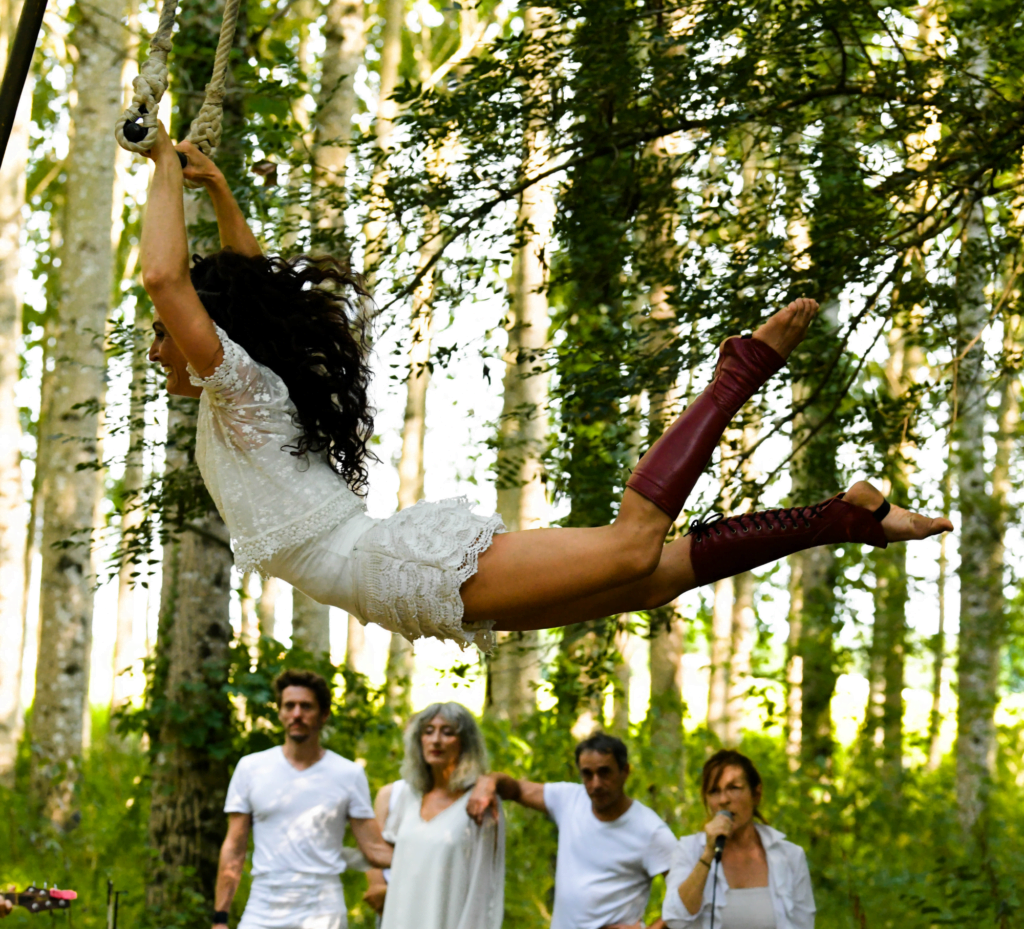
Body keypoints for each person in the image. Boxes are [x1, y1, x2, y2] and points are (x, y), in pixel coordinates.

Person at [140, 126, 952, 650]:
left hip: (393, 569)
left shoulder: (238, 390)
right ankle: (841, 518)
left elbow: (165, 276)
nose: (157, 352)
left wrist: (162, 168)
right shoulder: (247, 390)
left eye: (161, 339)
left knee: (634, 547)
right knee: (647, 581)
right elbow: (248, 291)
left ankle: (739, 370)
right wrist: (217, 191)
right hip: (391, 586)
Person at [208, 669, 393, 929]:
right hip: (264, 905)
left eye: (306, 706)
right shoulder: (251, 768)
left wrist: (431, 853)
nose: (297, 714)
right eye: (289, 706)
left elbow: (375, 849)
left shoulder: (347, 774)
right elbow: (234, 848)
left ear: (324, 714)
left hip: (322, 908)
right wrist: (219, 921)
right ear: (280, 712)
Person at [469, 732, 676, 929]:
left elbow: (690, 894)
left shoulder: (650, 830)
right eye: (587, 774)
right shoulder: (569, 800)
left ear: (625, 772)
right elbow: (518, 789)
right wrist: (488, 782)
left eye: (605, 773)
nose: (596, 784)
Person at [372, 702, 505, 929]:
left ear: (465, 742)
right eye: (428, 731)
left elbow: (484, 888)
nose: (436, 740)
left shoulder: (479, 802)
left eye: (448, 732)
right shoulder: (408, 797)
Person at [662, 750, 815, 929]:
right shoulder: (689, 850)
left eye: (733, 788)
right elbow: (676, 918)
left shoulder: (789, 856)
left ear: (756, 794)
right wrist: (708, 854)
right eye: (714, 791)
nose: (723, 799)